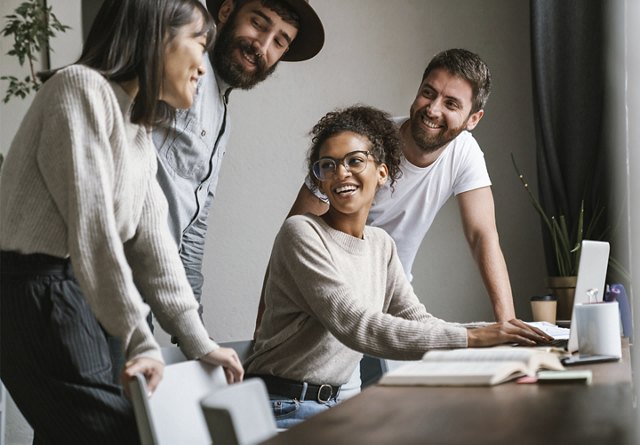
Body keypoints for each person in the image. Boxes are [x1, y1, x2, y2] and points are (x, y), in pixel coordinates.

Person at [0, 1, 243, 443]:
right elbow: (94, 233)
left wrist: (199, 342)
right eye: (199, 43)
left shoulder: (137, 130)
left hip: (75, 290)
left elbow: (155, 251)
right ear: (156, 36)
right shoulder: (79, 89)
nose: (204, 68)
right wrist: (139, 338)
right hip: (38, 290)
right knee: (124, 436)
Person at [245, 105, 552, 428]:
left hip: (336, 407)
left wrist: (499, 333)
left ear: (382, 171)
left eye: (355, 161)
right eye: (328, 166)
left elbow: (419, 321)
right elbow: (359, 326)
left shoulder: (380, 245)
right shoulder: (302, 233)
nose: (341, 173)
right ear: (320, 180)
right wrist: (475, 338)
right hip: (282, 408)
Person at [282, 48, 515, 323]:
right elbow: (293, 242)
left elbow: (483, 235)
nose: (433, 109)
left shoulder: (464, 153)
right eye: (429, 92)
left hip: (390, 297)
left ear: (473, 119)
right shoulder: (363, 144)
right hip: (329, 296)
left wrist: (507, 325)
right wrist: (264, 326)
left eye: (451, 104)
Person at [151, 0, 324, 323]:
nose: (262, 46)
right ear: (227, 11)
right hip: (95, 277)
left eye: (279, 41)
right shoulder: (181, 62)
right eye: (259, 24)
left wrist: (193, 327)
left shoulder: (222, 118)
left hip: (138, 295)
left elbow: (193, 227)